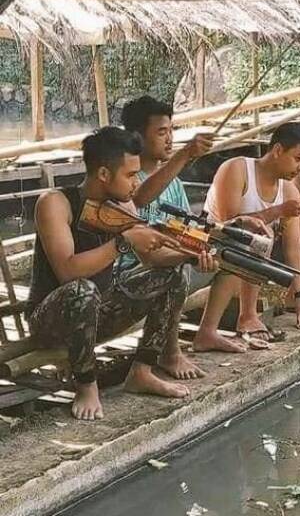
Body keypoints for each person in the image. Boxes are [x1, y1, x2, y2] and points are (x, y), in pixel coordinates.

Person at [26, 127, 217, 421]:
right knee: (82, 290)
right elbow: (67, 271)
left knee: (174, 274)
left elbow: (152, 258)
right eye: (130, 175)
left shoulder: (122, 205)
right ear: (104, 173)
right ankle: (86, 385)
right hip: (52, 322)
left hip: (101, 311)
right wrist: (123, 242)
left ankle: (142, 371)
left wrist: (191, 256)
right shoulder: (55, 203)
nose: (135, 183)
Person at [121, 95, 250, 354]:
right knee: (179, 269)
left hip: (173, 261)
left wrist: (226, 230)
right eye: (161, 132)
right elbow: (139, 198)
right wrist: (185, 154)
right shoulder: (126, 179)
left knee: (233, 251)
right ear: (137, 137)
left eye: (171, 131)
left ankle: (207, 333)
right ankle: (169, 353)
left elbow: (187, 231)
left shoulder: (176, 184)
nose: (169, 139)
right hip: (135, 274)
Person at [202, 123, 300, 344]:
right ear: (278, 150)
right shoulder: (237, 169)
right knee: (257, 237)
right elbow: (229, 225)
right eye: (298, 158)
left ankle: (292, 298)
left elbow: (292, 247)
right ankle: (248, 316)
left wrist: (299, 295)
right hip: (214, 252)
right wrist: (278, 211)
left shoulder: (288, 189)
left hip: (257, 258)